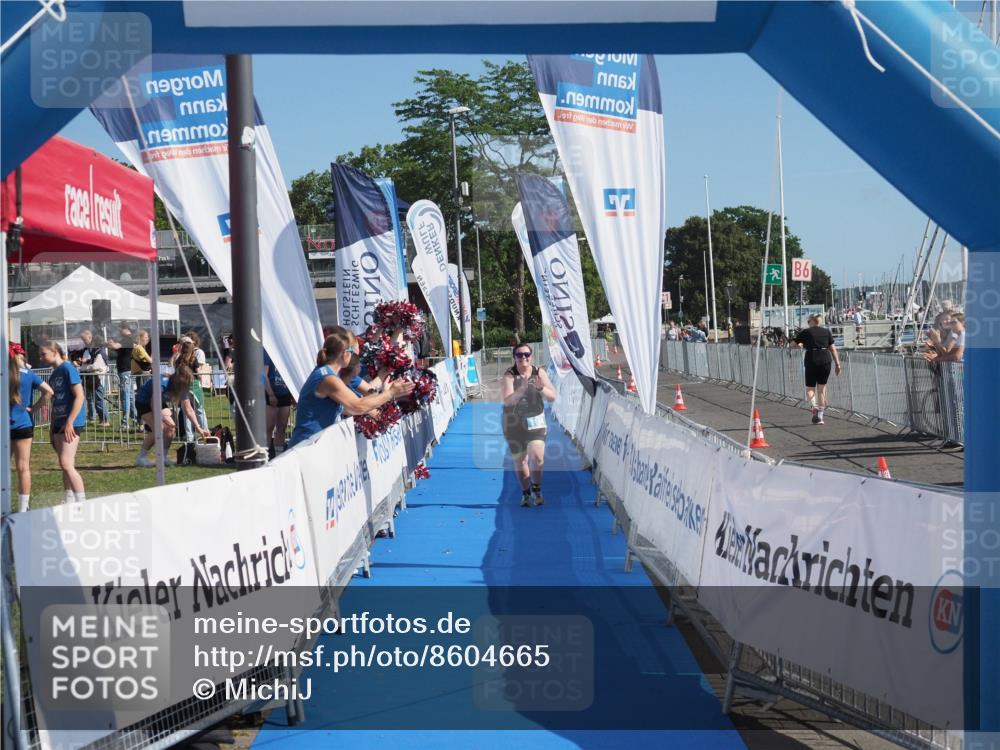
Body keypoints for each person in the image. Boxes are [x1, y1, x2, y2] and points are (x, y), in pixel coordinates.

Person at [288, 327, 414, 449]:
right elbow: (357, 406)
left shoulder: (330, 375)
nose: (355, 358)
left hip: (314, 445)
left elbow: (354, 405)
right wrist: (390, 393)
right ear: (344, 354)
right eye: (353, 353)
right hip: (306, 446)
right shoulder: (328, 378)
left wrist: (386, 393)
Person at [501, 344, 557, 507]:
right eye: (519, 355)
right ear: (514, 357)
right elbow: (507, 401)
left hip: (536, 420)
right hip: (514, 423)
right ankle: (525, 493)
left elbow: (552, 396)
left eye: (526, 354)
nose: (523, 357)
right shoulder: (509, 376)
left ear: (531, 356)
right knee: (521, 461)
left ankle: (537, 488)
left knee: (537, 458)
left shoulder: (539, 372)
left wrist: (540, 389)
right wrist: (522, 389)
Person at [38, 341, 87, 503]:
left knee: (66, 464)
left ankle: (82, 502)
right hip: (59, 423)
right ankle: (69, 499)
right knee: (65, 464)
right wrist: (52, 429)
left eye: (43, 353)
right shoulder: (53, 374)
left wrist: (70, 422)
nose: (41, 357)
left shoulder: (68, 368)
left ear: (54, 352)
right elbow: (55, 403)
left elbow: (80, 396)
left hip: (71, 422)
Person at [134, 364, 210, 467]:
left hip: (157, 402)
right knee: (158, 429)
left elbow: (188, 409)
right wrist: (161, 419)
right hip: (143, 401)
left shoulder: (183, 387)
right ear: (178, 380)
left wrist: (199, 428)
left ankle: (163, 458)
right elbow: (154, 402)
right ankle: (141, 458)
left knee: (171, 428)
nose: (186, 386)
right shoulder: (163, 383)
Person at [9, 343, 53, 512]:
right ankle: (22, 508)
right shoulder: (29, 374)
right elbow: (49, 391)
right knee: (23, 467)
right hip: (23, 424)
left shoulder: (4, 374)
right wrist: (34, 409)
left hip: (5, 425)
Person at [794, 313, 842, 425]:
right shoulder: (827, 332)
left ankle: (814, 407)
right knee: (822, 389)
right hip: (825, 360)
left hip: (811, 359)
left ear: (811, 321)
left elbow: (792, 344)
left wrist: (799, 345)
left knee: (810, 388)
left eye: (808, 321)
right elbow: (833, 349)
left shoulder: (806, 332)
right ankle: (820, 416)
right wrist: (838, 364)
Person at [172, 340, 209, 442]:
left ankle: (189, 436)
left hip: (183, 386)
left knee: (186, 412)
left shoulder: (178, 360)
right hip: (195, 385)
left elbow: (176, 371)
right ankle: (205, 432)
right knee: (200, 410)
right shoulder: (194, 359)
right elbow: (198, 373)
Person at [73, 329, 110, 427]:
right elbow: (92, 362)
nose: (85, 342)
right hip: (93, 378)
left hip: (98, 379)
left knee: (99, 400)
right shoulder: (94, 351)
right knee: (96, 400)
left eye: (85, 340)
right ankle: (102, 420)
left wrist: (82, 368)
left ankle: (105, 420)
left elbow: (95, 366)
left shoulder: (99, 352)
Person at [106, 324, 137, 430]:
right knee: (130, 396)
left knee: (126, 397)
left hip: (125, 371)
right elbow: (117, 350)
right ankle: (136, 419)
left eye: (120, 329)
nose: (119, 331)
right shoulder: (127, 340)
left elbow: (115, 346)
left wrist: (109, 342)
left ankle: (125, 423)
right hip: (126, 371)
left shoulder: (127, 339)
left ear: (126, 330)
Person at [264, 350, 295, 456]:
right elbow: (263, 375)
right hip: (271, 392)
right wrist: (271, 394)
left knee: (282, 427)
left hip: (284, 393)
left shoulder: (287, 351)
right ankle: (265, 455)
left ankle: (279, 454)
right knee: (269, 427)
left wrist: (292, 394)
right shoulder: (267, 352)